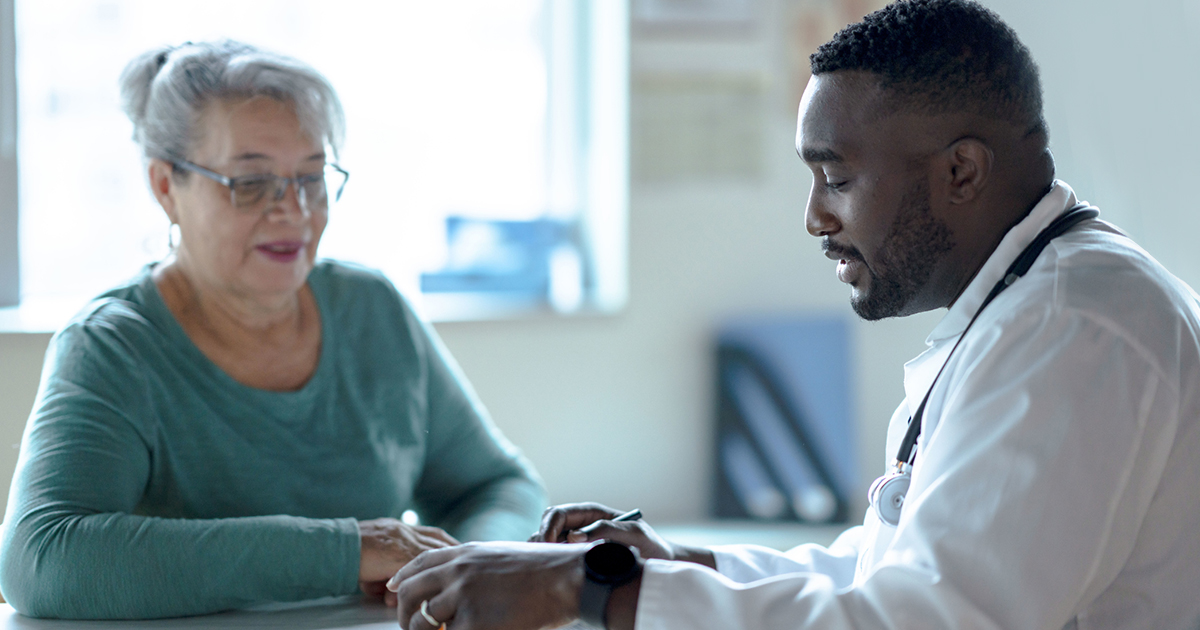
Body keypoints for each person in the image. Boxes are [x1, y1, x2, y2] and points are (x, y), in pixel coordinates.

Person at [385, 1, 1200, 628]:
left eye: (836, 177)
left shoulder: (1073, 328)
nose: (814, 218)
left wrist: (591, 588)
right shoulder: (1034, 302)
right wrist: (676, 561)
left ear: (961, 171)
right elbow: (887, 570)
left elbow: (925, 619)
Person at [0, 40, 546, 620]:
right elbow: (42, 559)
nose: (295, 210)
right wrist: (348, 550)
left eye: (312, 178)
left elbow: (497, 485)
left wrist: (466, 564)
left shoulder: (372, 309)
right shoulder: (112, 345)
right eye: (251, 183)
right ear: (165, 187)